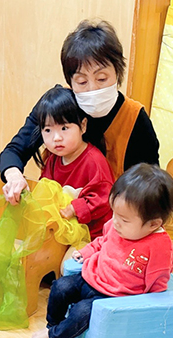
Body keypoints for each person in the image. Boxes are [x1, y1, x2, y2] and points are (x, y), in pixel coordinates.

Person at [21, 164, 173, 338]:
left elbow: (158, 280)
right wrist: (87, 251)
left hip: (114, 296)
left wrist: (147, 306)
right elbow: (103, 241)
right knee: (60, 287)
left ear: (153, 224)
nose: (115, 222)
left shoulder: (159, 246)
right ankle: (52, 326)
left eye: (124, 220)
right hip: (92, 277)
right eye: (114, 213)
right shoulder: (118, 225)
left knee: (81, 313)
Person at [1, 19, 159, 206]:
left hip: (110, 215)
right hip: (57, 212)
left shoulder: (134, 118)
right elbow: (14, 151)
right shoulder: (58, 106)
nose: (93, 88)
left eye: (102, 78)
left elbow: (150, 186)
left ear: (118, 73)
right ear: (70, 81)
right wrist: (14, 176)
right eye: (82, 82)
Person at [33, 86, 114, 241]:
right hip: (64, 228)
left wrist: (74, 208)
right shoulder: (53, 159)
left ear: (83, 126)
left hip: (93, 236)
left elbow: (104, 198)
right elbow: (45, 187)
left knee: (69, 259)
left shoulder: (94, 161)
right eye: (48, 130)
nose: (56, 138)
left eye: (64, 128)